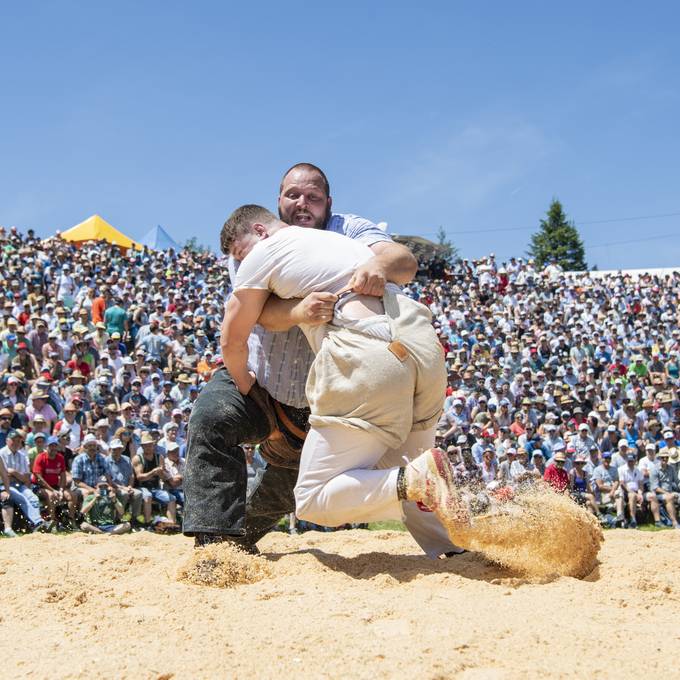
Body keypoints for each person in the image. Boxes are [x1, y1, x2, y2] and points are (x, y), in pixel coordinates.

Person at [183, 163, 421, 553]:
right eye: (293, 195)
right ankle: (212, 548)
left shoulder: (350, 230)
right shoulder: (252, 246)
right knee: (211, 418)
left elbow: (403, 261)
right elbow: (257, 312)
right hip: (262, 379)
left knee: (286, 489)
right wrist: (298, 312)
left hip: (325, 397)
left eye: (312, 197)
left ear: (328, 203)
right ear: (278, 202)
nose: (302, 204)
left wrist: (377, 265)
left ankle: (234, 547)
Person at [219, 204, 461, 556]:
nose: (243, 264)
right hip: (421, 342)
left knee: (313, 499)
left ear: (260, 230)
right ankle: (454, 549)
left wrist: (246, 387)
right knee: (406, 472)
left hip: (368, 352)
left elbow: (232, 337)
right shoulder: (337, 243)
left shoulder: (266, 251)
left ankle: (419, 481)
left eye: (241, 254)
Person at [0, 429, 46, 531]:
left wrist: (14, 473)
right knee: (22, 498)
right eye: (13, 440)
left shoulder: (22, 455)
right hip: (5, 486)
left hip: (20, 484)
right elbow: (4, 476)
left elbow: (26, 477)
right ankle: (37, 522)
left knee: (33, 498)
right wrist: (16, 475)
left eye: (18, 441)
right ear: (7, 440)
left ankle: (35, 523)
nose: (16, 443)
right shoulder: (1, 453)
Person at [32, 435, 76, 530]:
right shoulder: (40, 457)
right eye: (51, 446)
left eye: (55, 445)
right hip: (39, 487)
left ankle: (70, 521)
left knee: (72, 495)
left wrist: (61, 489)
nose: (53, 448)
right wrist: (53, 490)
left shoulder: (60, 457)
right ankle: (52, 523)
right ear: (46, 447)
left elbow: (63, 475)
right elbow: (38, 478)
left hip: (55, 486)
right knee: (51, 495)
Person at [107, 438, 143, 524]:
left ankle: (134, 519)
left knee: (138, 493)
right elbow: (109, 481)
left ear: (122, 449)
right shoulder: (106, 461)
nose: (116, 451)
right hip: (113, 487)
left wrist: (130, 486)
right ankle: (118, 518)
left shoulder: (126, 459)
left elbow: (131, 475)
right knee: (124, 494)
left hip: (126, 487)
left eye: (118, 449)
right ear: (110, 449)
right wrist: (124, 488)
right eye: (114, 449)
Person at [647, 449, 680, 529]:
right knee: (669, 497)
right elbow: (655, 488)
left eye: (666, 457)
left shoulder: (671, 468)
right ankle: (674, 522)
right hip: (658, 495)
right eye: (663, 458)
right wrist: (667, 493)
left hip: (670, 493)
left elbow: (677, 481)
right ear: (659, 458)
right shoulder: (654, 469)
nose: (665, 459)